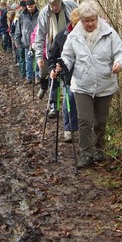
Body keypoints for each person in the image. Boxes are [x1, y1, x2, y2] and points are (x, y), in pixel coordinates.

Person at [58, 0, 122, 169]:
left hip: (105, 84)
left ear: (97, 18)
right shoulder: (74, 36)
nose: (89, 24)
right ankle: (86, 153)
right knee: (84, 120)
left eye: (92, 20)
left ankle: (98, 148)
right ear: (80, 20)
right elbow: (67, 56)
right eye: (86, 21)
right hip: (82, 84)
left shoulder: (110, 33)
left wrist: (120, 64)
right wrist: (62, 65)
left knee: (100, 121)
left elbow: (121, 53)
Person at [33, 0, 78, 114]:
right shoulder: (44, 13)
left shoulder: (71, 5)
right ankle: (54, 105)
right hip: (53, 47)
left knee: (68, 77)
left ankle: (70, 105)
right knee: (53, 75)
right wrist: (39, 56)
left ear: (61, 2)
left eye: (57, 5)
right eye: (52, 5)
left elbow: (79, 19)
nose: (55, 7)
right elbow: (40, 35)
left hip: (70, 47)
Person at [47, 8, 80, 142]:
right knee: (69, 100)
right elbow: (52, 55)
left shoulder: (89, 35)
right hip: (68, 75)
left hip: (87, 76)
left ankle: (87, 130)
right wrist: (52, 69)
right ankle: (69, 129)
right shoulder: (62, 35)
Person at [14, 0, 40, 85]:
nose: (30, 8)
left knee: (37, 60)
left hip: (37, 41)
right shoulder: (22, 15)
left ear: (34, 5)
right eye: (29, 7)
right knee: (28, 61)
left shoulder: (39, 15)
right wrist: (17, 41)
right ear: (26, 7)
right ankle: (29, 77)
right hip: (26, 42)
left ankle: (37, 77)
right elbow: (18, 29)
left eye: (32, 7)